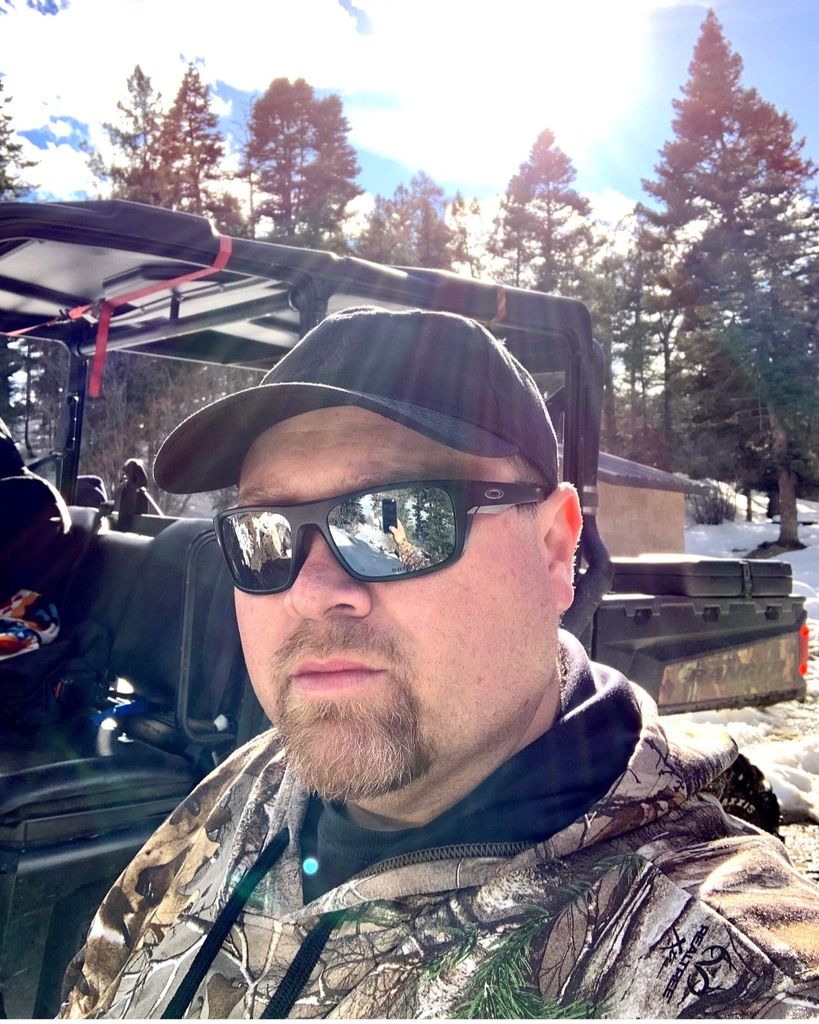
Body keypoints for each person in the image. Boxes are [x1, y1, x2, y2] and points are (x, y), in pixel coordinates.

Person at [60, 307, 819, 1019]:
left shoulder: (723, 969)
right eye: (264, 533)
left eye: (397, 519)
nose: (311, 593)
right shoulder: (250, 784)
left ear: (554, 549)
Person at [113, 456, 163, 530]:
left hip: (137, 523)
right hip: (127, 523)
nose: (125, 477)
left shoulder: (139, 490)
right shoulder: (126, 489)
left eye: (127, 474)